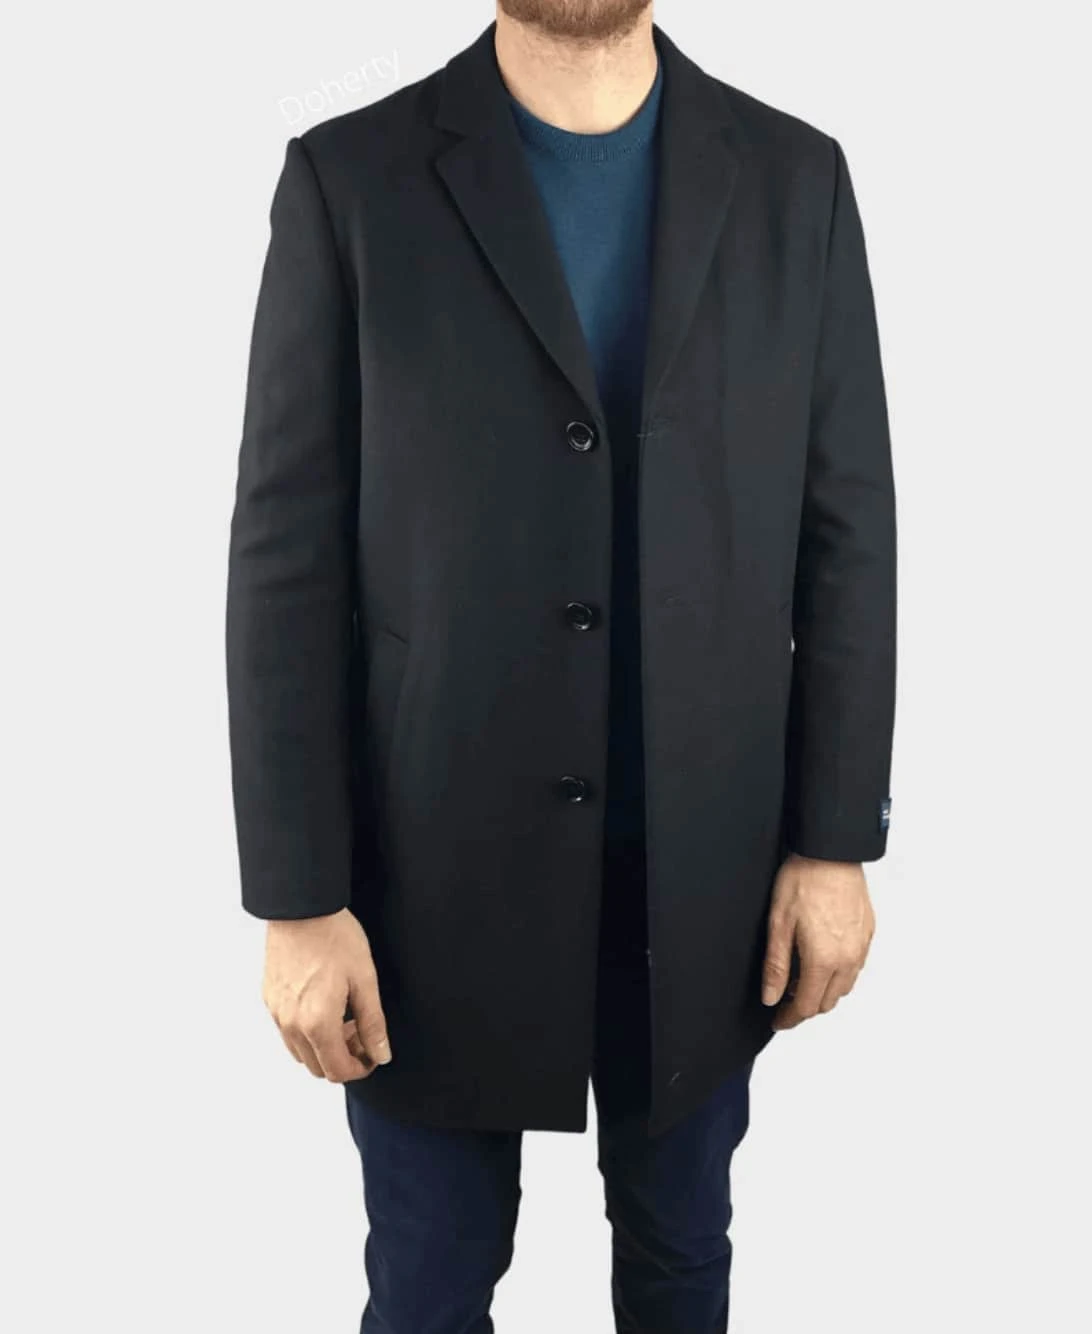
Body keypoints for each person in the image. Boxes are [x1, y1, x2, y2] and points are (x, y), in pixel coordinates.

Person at [225, 2, 897, 1329]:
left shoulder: (796, 181)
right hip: (428, 874)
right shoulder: (350, 182)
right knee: (427, 1286)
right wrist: (297, 899)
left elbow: (847, 533)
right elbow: (284, 566)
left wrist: (834, 840)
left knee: (682, 1267)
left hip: (700, 883)